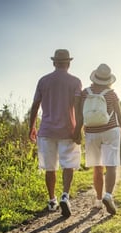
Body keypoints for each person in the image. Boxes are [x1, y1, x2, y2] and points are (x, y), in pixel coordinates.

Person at [29, 49, 82, 217]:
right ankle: (65, 196)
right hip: (68, 130)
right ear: (68, 63)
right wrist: (78, 128)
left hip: (46, 130)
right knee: (69, 164)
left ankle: (52, 200)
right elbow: (78, 107)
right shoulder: (75, 82)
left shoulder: (43, 81)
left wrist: (31, 127)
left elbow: (35, 105)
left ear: (54, 63)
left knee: (50, 168)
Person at [73, 63, 121, 215]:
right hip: (110, 131)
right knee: (111, 165)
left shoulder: (85, 92)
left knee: (97, 168)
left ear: (95, 77)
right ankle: (108, 195)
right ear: (108, 80)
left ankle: (98, 200)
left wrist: (77, 132)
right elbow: (120, 116)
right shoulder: (111, 94)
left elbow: (79, 115)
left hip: (91, 133)